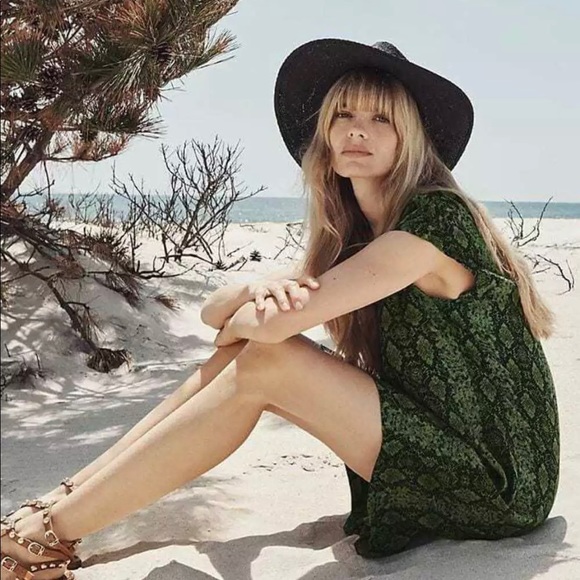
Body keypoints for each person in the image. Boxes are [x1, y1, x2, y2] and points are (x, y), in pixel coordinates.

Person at [0, 38, 560, 578]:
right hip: (440, 441)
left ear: (409, 139)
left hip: (498, 483)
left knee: (268, 359)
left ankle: (48, 534)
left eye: (381, 119)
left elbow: (262, 329)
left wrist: (254, 319)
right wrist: (253, 293)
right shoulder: (360, 239)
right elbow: (215, 316)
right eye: (343, 115)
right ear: (325, 132)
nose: (358, 129)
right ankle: (61, 503)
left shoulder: (433, 223)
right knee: (253, 353)